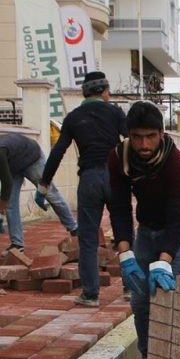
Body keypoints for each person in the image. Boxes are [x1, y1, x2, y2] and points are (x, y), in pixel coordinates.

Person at [108, 101, 180, 358]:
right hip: (147, 229)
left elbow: (179, 218)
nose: (145, 145)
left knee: (170, 297)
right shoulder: (119, 158)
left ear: (162, 134)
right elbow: (119, 206)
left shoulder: (177, 165)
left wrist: (164, 262)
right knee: (140, 300)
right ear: (128, 135)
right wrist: (125, 253)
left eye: (151, 136)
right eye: (137, 137)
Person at [38, 71, 127, 307]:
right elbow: (132, 141)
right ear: (105, 91)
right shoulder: (115, 112)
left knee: (87, 239)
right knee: (125, 234)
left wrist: (44, 183)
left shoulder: (74, 117)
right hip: (115, 177)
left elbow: (58, 151)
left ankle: (90, 294)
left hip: (88, 179)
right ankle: (131, 288)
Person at [0, 134, 77, 256]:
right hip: (12, 165)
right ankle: (17, 245)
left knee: (50, 194)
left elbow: (6, 183)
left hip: (30, 157)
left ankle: (75, 230)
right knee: (10, 204)